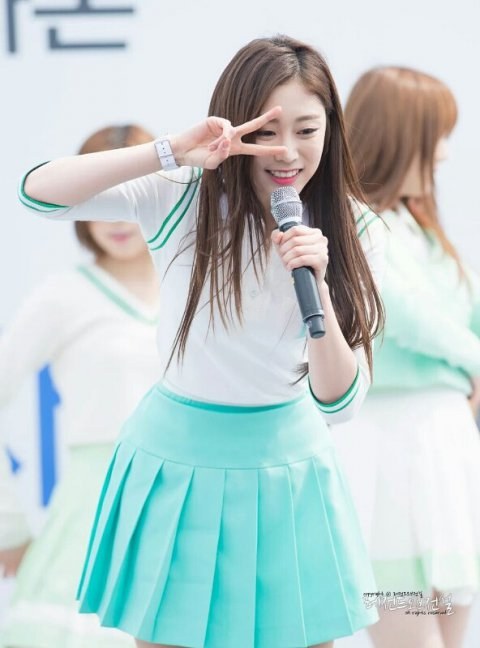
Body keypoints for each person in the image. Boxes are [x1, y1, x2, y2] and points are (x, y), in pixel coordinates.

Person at [17, 35, 386, 648]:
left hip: (288, 472)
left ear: (331, 129)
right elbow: (38, 193)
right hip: (174, 465)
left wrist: (319, 287)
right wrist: (169, 151)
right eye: (266, 131)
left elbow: (339, 401)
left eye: (306, 130)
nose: (287, 151)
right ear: (235, 125)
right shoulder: (181, 195)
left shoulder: (354, 229)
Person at [333, 66, 480, 648]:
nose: (444, 153)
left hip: (445, 444)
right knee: (410, 635)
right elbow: (406, 313)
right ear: (400, 136)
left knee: (451, 629)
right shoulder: (354, 221)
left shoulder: (420, 226)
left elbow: (465, 310)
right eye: (436, 135)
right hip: (390, 448)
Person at [0, 125, 161, 647]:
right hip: (94, 513)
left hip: (190, 502)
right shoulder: (63, 296)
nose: (114, 215)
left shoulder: (196, 287)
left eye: (129, 194)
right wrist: (8, 525)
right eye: (98, 196)